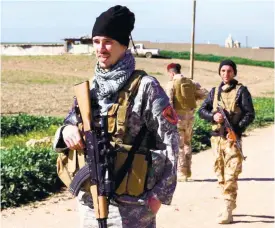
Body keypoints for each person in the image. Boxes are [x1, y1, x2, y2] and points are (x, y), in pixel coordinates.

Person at [53, 5, 179, 228]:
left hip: (133, 207)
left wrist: (159, 197)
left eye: (108, 41)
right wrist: (67, 130)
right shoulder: (90, 88)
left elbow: (171, 142)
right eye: (96, 41)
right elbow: (70, 120)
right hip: (90, 202)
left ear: (123, 44)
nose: (101, 48)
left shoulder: (146, 88)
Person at [198, 59, 255, 224]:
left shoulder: (241, 91)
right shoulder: (214, 91)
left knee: (231, 175)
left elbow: (249, 114)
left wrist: (237, 130)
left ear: (234, 72)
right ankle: (227, 204)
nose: (226, 74)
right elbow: (202, 110)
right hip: (217, 139)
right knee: (220, 175)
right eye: (223, 71)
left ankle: (228, 210)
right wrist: (213, 116)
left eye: (229, 71)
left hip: (232, 139)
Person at [166, 63, 208, 182]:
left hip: (177, 119)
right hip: (189, 117)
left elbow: (168, 103)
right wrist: (194, 98)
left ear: (172, 73)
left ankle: (181, 172)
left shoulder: (171, 84)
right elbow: (205, 93)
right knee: (187, 143)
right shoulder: (191, 82)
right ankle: (188, 170)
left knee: (179, 145)